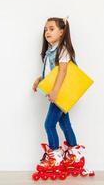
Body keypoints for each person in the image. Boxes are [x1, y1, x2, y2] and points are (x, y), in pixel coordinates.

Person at [32, 16, 78, 169]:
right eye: (46, 29)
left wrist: (55, 91)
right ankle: (74, 154)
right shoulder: (50, 51)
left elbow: (63, 72)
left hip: (60, 94)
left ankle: (54, 156)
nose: (47, 32)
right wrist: (40, 79)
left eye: (51, 29)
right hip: (57, 94)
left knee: (49, 124)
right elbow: (51, 72)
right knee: (64, 123)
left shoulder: (62, 49)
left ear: (62, 32)